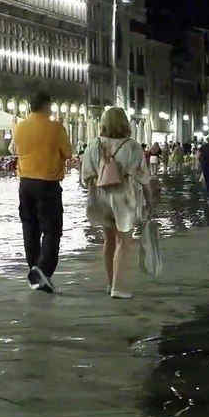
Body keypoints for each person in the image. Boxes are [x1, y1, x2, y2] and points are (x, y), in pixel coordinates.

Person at [81, 107, 151, 299]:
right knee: (124, 241)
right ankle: (118, 288)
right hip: (123, 197)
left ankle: (110, 283)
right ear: (125, 123)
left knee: (109, 240)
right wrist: (149, 200)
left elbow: (86, 176)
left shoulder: (93, 145)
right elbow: (144, 178)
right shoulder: (133, 146)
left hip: (100, 196)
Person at [12, 92, 72, 293]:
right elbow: (68, 153)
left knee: (30, 227)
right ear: (47, 106)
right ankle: (43, 270)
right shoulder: (56, 128)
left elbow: (15, 150)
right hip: (47, 183)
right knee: (52, 229)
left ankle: (34, 270)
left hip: (25, 182)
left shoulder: (19, 127)